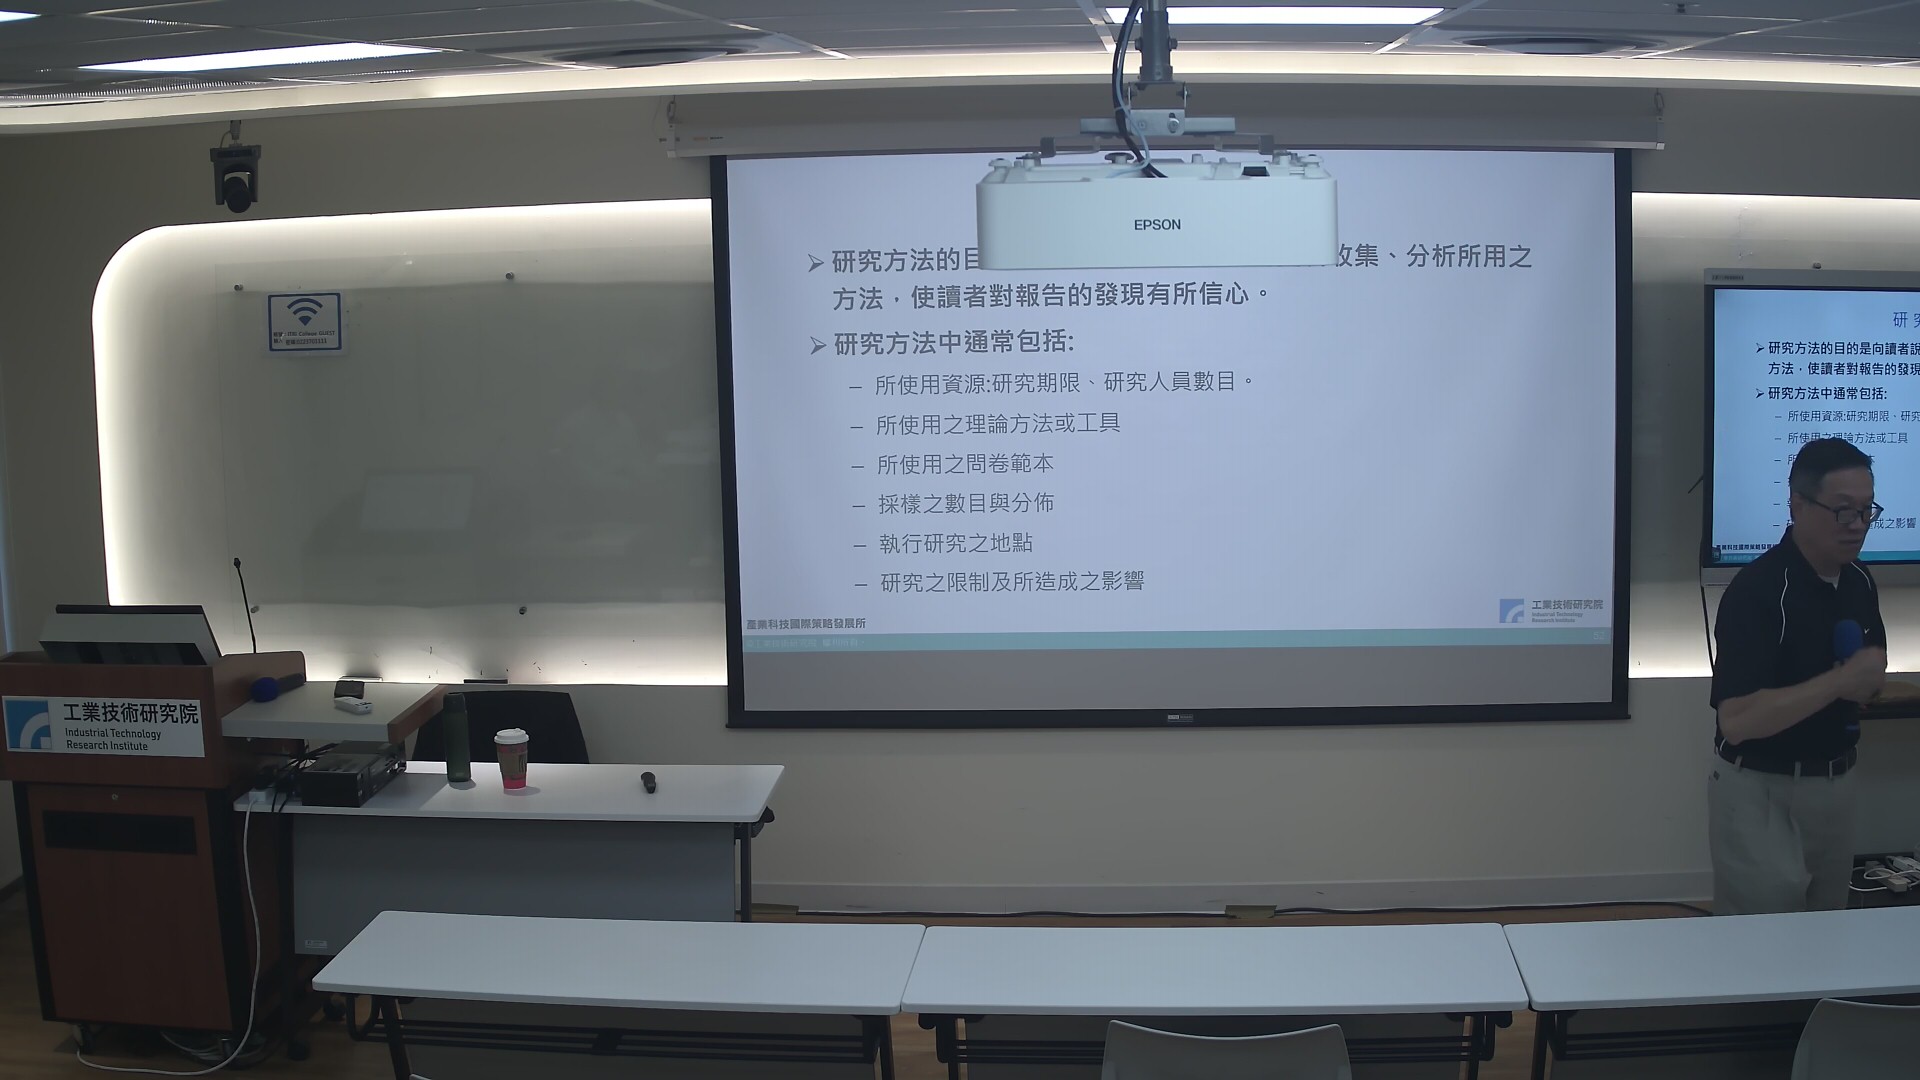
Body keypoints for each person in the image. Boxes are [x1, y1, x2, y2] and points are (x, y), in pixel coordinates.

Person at [1709, 437, 1888, 914]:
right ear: (1798, 506)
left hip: (1837, 783)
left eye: (1867, 511)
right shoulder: (1757, 591)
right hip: (1761, 791)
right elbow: (1738, 721)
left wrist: (1867, 682)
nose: (1857, 525)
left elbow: (1867, 676)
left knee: (1828, 936)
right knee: (1763, 944)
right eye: (1843, 511)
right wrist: (1839, 682)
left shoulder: (1860, 581)